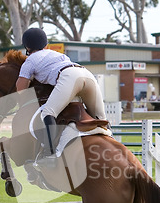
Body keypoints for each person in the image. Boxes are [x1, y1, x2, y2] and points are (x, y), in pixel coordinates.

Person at [16, 28, 107, 162]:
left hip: (69, 77)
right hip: (87, 74)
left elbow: (20, 89)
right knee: (101, 118)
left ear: (27, 47)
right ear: (45, 45)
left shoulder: (29, 61)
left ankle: (49, 153)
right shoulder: (58, 54)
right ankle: (113, 142)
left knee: (48, 112)